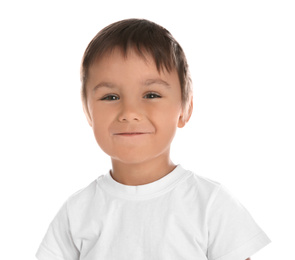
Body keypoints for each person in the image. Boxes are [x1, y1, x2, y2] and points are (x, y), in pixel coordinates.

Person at [36, 18, 270, 260]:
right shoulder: (76, 212)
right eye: (110, 97)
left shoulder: (210, 204)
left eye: (151, 94)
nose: (129, 113)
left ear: (185, 109)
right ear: (87, 112)